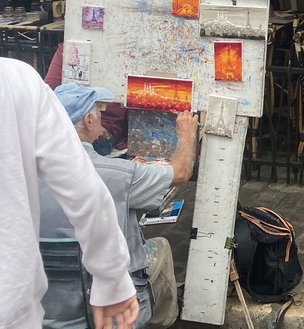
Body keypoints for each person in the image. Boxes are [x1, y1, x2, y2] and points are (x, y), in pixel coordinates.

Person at [40, 84, 198, 329]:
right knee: (161, 246)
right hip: (111, 306)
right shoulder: (116, 174)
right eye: (99, 113)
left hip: (48, 303)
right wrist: (187, 134)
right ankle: (164, 320)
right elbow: (181, 172)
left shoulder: (23, 172)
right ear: (89, 120)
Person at [1, 58, 138, 329]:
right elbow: (86, 194)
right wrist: (112, 280)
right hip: (12, 302)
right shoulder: (16, 80)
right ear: (88, 119)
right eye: (98, 111)